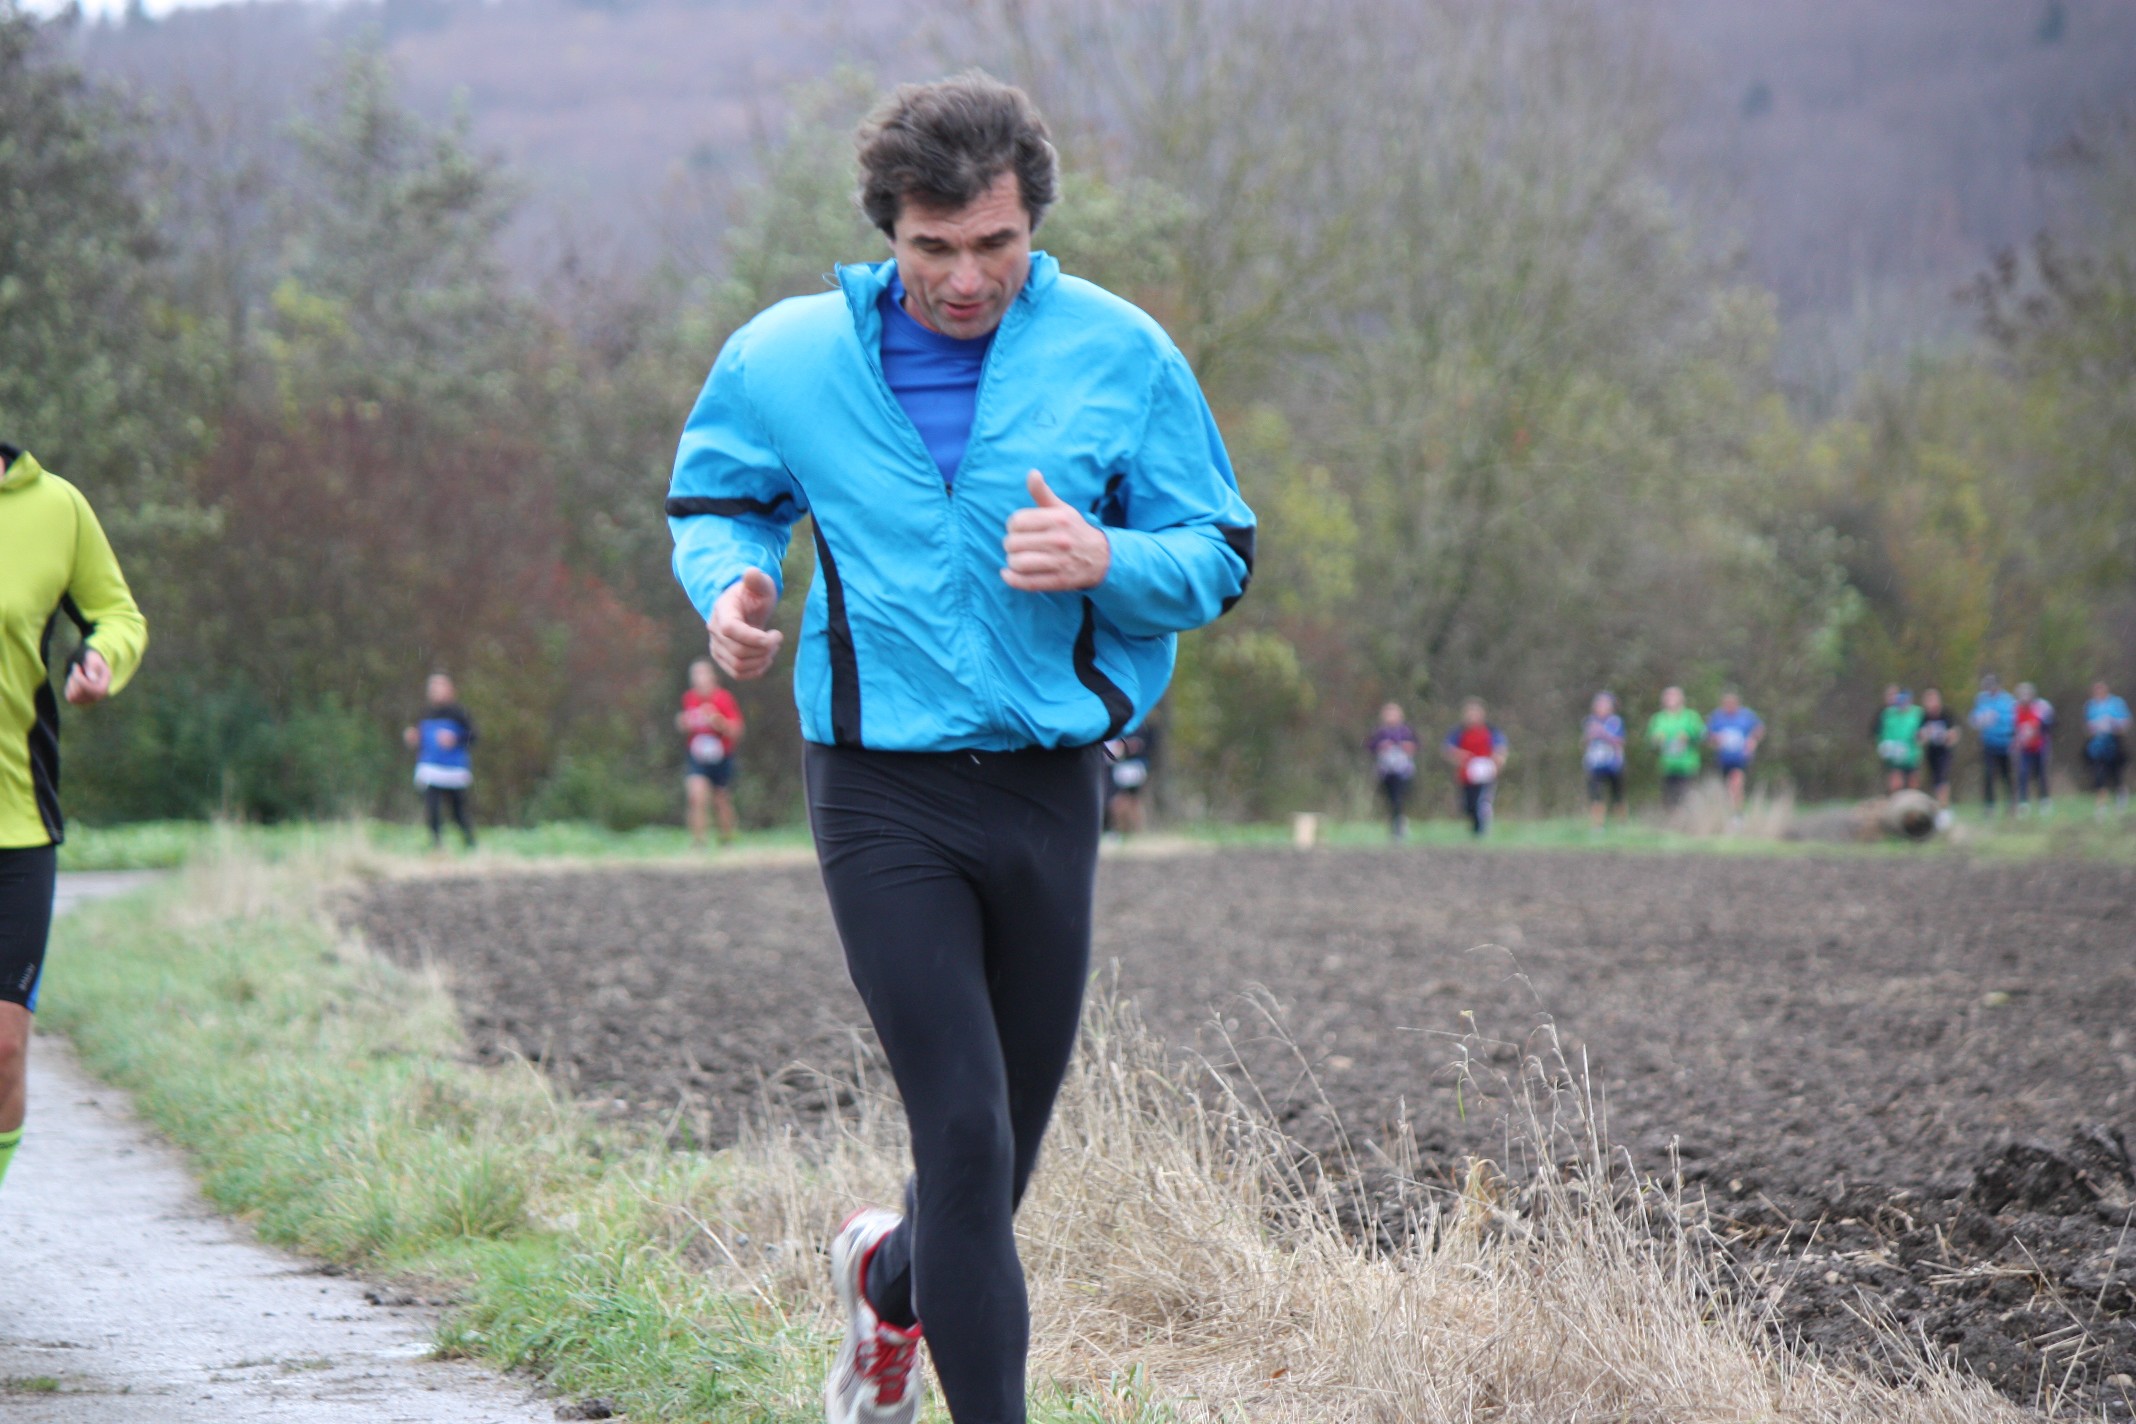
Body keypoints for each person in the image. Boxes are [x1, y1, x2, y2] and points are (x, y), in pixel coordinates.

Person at [664, 73, 1255, 1424]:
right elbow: (717, 500)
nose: (969, 278)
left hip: (1048, 784)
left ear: (1033, 221)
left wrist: (1109, 558)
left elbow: (1219, 552)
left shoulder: (1121, 352)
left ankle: (886, 1280)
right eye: (935, 248)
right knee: (967, 1130)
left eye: (998, 243)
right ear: (889, 231)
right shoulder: (786, 358)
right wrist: (729, 591)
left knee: (995, 1163)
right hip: (878, 785)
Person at [0, 442, 148, 1197]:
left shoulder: (54, 506)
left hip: (18, 824)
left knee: (2, 1050)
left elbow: (117, 613)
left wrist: (102, 659)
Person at [402, 673, 476, 850]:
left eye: (439, 687)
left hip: (454, 770)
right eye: (432, 688)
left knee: (458, 812)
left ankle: (470, 844)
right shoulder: (425, 713)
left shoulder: (459, 713)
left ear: (450, 690)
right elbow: (421, 738)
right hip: (430, 768)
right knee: (432, 809)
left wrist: (455, 739)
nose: (435, 691)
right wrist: (413, 738)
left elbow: (474, 736)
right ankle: (436, 845)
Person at [678, 657, 744, 848]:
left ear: (713, 676)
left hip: (721, 756)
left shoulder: (723, 698)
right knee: (696, 795)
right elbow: (684, 724)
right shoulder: (689, 698)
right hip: (697, 756)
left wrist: (717, 721)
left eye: (702, 673)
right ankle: (699, 842)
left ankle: (726, 840)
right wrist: (683, 723)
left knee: (721, 799)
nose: (699, 678)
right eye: (695, 674)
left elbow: (737, 729)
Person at [1443, 698, 1507, 837]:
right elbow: (1448, 749)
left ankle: (1482, 829)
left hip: (1485, 771)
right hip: (1467, 773)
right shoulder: (1458, 732)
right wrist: (1459, 756)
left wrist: (1497, 763)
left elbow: (1500, 750)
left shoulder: (1491, 731)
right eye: (1470, 713)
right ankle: (1475, 827)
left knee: (1483, 801)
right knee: (1468, 804)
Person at [1705, 690, 1764, 815]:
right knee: (1725, 788)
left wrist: (1752, 741)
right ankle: (1726, 813)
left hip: (1739, 759)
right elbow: (1708, 736)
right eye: (1727, 704)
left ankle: (1737, 814)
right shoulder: (1717, 717)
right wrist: (1716, 739)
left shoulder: (1746, 716)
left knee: (1736, 783)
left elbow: (1759, 729)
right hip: (1722, 759)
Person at [1646, 685, 1704, 810]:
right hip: (1667, 765)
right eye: (1668, 697)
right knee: (1668, 799)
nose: (1670, 699)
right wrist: (1656, 739)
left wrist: (1688, 735)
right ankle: (1672, 819)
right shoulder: (1658, 718)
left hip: (1687, 764)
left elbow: (1702, 734)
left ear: (1681, 699)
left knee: (1686, 796)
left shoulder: (1690, 716)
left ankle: (1690, 818)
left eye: (1674, 696)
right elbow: (1650, 739)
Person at [1970, 674, 2017, 813]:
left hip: (2005, 743)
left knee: (2006, 775)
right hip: (1988, 744)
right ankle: (1990, 805)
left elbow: (2013, 720)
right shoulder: (1981, 699)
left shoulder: (2007, 700)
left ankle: (2011, 803)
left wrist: (1998, 719)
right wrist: (1981, 720)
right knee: (1988, 775)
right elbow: (1973, 719)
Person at [2083, 680, 2130, 816]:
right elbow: (2087, 727)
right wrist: (2095, 727)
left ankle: (2121, 796)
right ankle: (2101, 806)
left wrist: (2113, 724)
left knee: (2116, 774)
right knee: (2099, 776)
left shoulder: (2117, 703)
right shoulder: (2090, 706)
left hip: (2114, 744)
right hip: (2097, 746)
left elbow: (2126, 723)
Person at [1581, 691, 1627, 829]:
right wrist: (1590, 736)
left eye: (1605, 704)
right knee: (1596, 796)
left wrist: (1603, 734)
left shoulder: (1616, 721)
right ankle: (1597, 826)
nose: (1601, 707)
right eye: (1599, 704)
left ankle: (1621, 824)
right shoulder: (1589, 721)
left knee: (1617, 795)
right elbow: (1584, 741)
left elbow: (1620, 741)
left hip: (1614, 764)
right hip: (1595, 764)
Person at [1103, 720, 1156, 837]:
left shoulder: (1138, 727)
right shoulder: (1131, 726)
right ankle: (1125, 830)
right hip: (1123, 767)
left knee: (1128, 799)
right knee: (1125, 800)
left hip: (1132, 767)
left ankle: (1132, 830)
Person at [2013, 680, 2055, 815]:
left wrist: (2036, 731)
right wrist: (2017, 741)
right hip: (2025, 749)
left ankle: (2044, 801)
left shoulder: (2040, 708)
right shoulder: (2016, 710)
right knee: (2023, 774)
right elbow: (2014, 729)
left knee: (2041, 774)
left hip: (2039, 747)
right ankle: (2023, 803)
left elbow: (2047, 726)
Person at [1873, 685, 1924, 793]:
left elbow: (1924, 732)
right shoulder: (1888, 714)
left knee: (1913, 783)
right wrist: (1884, 746)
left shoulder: (1918, 713)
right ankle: (1895, 800)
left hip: (1912, 754)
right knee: (1896, 783)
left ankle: (1912, 802)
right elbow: (1881, 734)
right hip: (1895, 754)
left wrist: (1921, 737)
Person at [1918, 687, 1960, 809]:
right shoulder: (1924, 717)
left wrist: (1947, 736)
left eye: (1933, 699)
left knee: (1942, 778)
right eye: (1928, 700)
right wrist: (1925, 734)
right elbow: (1919, 738)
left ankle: (1944, 807)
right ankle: (1939, 805)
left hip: (1944, 751)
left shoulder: (1946, 714)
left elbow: (1954, 733)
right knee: (1935, 780)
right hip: (1931, 752)